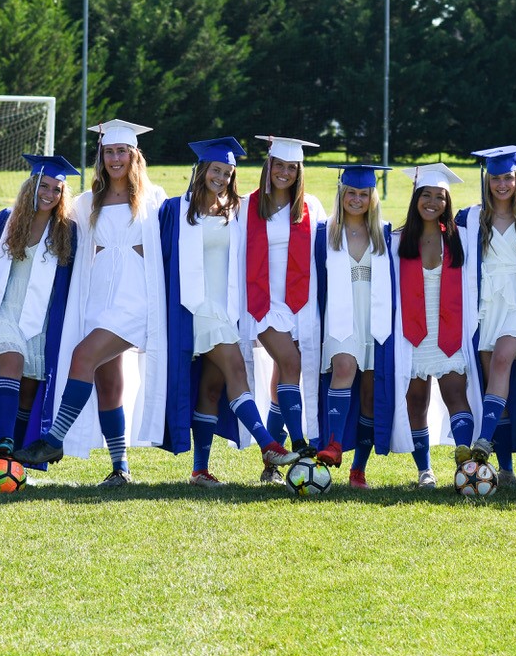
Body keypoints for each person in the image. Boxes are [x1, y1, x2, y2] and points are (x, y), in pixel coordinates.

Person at [12, 120, 168, 487]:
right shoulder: (86, 202)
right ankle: (120, 468)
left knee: (82, 356)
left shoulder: (155, 199)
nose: (115, 159)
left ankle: (54, 440)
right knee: (108, 382)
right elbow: (51, 223)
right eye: (109, 152)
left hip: (136, 300)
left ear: (134, 156)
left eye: (121, 152)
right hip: (98, 300)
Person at [159, 137, 296, 486]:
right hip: (197, 308)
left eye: (227, 173)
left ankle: (200, 470)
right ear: (202, 169)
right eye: (216, 170)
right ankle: (268, 445)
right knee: (236, 370)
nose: (220, 178)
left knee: (212, 387)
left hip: (227, 308)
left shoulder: (234, 210)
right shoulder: (177, 210)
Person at [0, 155, 79, 487]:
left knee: (28, 392)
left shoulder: (66, 231)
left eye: (56, 189)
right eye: (44, 186)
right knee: (11, 361)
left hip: (39, 320)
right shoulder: (7, 220)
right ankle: (5, 442)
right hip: (4, 311)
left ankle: (13, 462)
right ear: (31, 187)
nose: (49, 194)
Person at [238, 135, 327, 482]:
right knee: (291, 362)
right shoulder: (247, 206)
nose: (285, 173)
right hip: (262, 302)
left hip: (298, 302)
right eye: (279, 165)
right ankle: (301, 442)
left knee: (281, 376)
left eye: (292, 167)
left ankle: (271, 464)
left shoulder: (310, 207)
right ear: (269, 166)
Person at [460, 146, 516, 484]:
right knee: (495, 385)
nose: (502, 184)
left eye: (508, 177)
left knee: (501, 361)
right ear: (487, 180)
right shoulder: (472, 218)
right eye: (495, 178)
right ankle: (506, 467)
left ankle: (483, 440)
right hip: (486, 306)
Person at [391, 164, 477, 488]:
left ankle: (466, 463)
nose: (432, 202)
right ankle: (424, 470)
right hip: (412, 332)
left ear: (447, 202)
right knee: (416, 400)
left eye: (440, 197)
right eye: (425, 195)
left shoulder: (459, 239)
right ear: (415, 198)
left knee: (455, 392)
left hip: (449, 329)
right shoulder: (397, 241)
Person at [314, 163, 396, 489]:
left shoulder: (385, 234)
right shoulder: (324, 233)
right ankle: (333, 443)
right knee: (344, 367)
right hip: (340, 320)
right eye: (351, 193)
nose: (357, 199)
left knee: (370, 393)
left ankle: (358, 469)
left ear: (372, 197)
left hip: (375, 320)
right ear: (341, 193)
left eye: (364, 194)